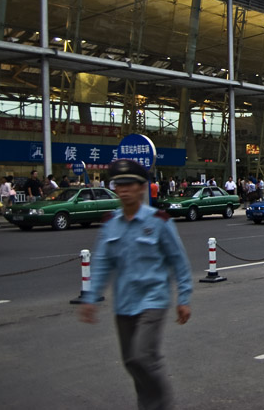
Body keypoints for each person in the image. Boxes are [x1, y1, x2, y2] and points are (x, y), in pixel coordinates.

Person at [80, 159, 192, 410]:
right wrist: (90, 298)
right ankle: (148, 405)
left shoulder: (159, 221)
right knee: (132, 361)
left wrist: (184, 299)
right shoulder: (111, 223)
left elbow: (179, 262)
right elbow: (101, 263)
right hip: (124, 303)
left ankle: (163, 404)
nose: (123, 189)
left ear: (143, 187)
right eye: (119, 184)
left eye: (129, 184)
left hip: (153, 300)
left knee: (142, 356)